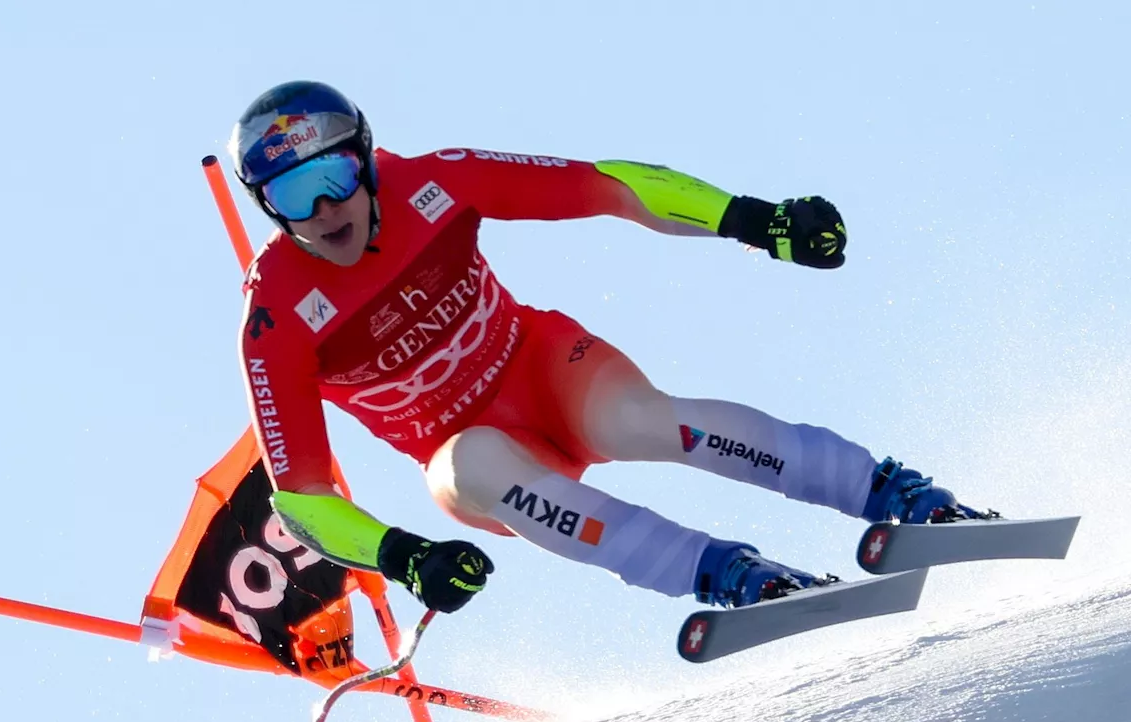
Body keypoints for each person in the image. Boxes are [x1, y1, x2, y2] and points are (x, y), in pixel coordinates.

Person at [227, 80, 983, 617]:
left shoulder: (434, 181)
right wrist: (406, 557)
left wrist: (753, 219)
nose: (324, 209)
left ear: (364, 156)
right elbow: (301, 499)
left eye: (333, 176)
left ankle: (889, 493)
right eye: (292, 197)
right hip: (476, 449)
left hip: (544, 369)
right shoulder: (276, 318)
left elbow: (609, 186)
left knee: (634, 420)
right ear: (268, 209)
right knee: (469, 468)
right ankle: (722, 572)